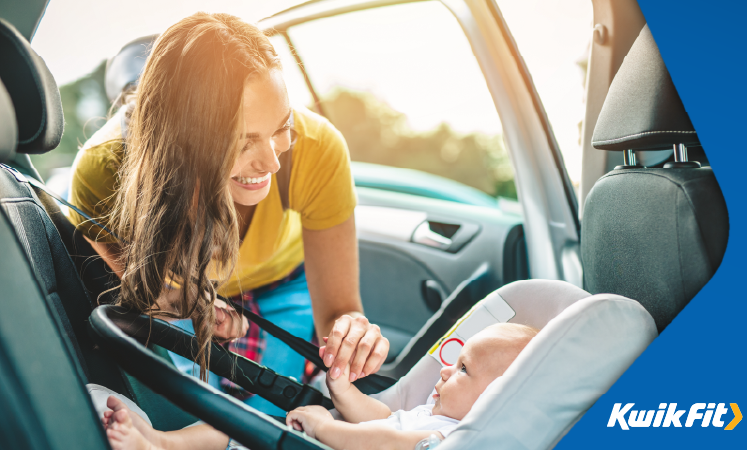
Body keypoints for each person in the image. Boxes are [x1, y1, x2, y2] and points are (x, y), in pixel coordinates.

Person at [66, 12, 389, 414]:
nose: (272, 162)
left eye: (281, 127)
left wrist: (351, 333)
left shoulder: (318, 147)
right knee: (192, 415)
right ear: (180, 139)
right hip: (181, 294)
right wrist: (187, 304)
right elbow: (142, 293)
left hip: (281, 282)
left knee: (271, 414)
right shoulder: (103, 171)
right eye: (241, 141)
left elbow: (340, 311)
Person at [99, 323, 538, 450]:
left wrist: (325, 427)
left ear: (497, 397)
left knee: (240, 433)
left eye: (463, 370)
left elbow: (384, 442)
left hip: (319, 442)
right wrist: (343, 391)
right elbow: (381, 418)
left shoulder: (451, 438)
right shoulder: (429, 413)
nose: (444, 372)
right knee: (231, 423)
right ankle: (161, 442)